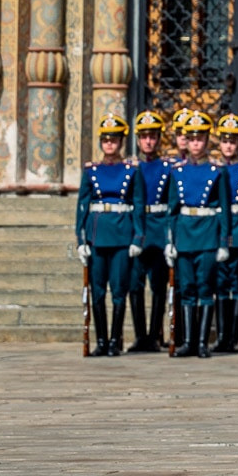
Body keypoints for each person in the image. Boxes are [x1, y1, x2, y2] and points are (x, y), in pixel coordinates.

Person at [75, 110, 144, 357]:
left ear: (121, 142)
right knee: (97, 291)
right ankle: (101, 341)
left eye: (114, 140)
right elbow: (82, 206)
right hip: (97, 235)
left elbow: (138, 205)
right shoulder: (91, 171)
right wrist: (81, 239)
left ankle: (115, 340)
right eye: (106, 140)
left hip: (122, 235)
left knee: (118, 291)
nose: (109, 144)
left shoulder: (131, 171)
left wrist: (138, 238)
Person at [164, 112, 230, 358]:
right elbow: (171, 210)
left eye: (200, 139)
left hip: (207, 232)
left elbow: (224, 209)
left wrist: (224, 242)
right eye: (191, 139)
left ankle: (202, 341)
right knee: (187, 287)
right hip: (184, 232)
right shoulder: (177, 172)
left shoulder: (216, 171)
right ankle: (188, 341)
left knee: (205, 287)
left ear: (206, 141)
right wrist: (170, 241)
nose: (195, 144)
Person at [131, 110, 176, 352]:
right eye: (144, 137)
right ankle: (140, 336)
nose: (149, 141)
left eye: (153, 136)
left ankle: (155, 334)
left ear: (159, 139)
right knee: (134, 285)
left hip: (159, 228)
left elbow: (171, 202)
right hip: (138, 228)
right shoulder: (131, 167)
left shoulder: (168, 168)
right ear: (138, 140)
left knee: (159, 285)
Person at [212, 113, 238, 352]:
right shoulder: (214, 169)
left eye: (233, 141)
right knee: (220, 286)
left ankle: (236, 337)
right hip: (218, 232)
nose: (229, 145)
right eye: (225, 140)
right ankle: (222, 337)